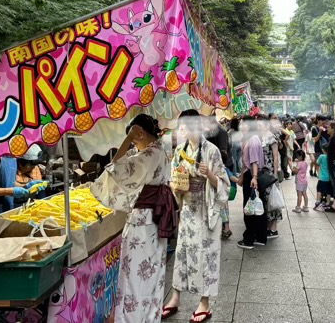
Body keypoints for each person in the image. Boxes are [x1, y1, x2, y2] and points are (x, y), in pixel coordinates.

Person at [90, 114, 175, 323]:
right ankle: (147, 317)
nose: (134, 143)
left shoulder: (150, 153)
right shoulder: (158, 151)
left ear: (140, 133)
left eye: (135, 138)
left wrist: (127, 139)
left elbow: (116, 168)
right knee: (151, 275)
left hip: (144, 222)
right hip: (154, 221)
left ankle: (132, 318)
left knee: (135, 277)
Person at [164, 110, 230, 323]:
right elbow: (174, 178)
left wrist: (209, 174)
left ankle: (204, 302)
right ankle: (175, 296)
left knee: (207, 256)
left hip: (206, 210)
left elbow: (224, 186)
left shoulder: (211, 151)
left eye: (184, 125)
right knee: (183, 253)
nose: (181, 129)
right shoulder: (179, 151)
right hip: (187, 209)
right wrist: (176, 186)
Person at [238, 116, 267, 249]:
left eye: (243, 124)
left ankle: (249, 239)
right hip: (250, 176)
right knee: (256, 207)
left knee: (250, 208)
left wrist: (253, 177)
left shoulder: (253, 140)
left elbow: (254, 161)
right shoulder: (251, 139)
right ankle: (259, 237)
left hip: (253, 176)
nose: (241, 126)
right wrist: (242, 176)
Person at [259, 115, 283, 238]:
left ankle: (273, 228)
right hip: (264, 173)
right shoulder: (261, 138)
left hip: (270, 174)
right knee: (267, 200)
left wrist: (274, 174)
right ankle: (268, 227)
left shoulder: (271, 138)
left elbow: (275, 157)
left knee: (272, 200)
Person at [314, 146, 332, 211]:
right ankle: (328, 203)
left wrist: (318, 172)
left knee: (319, 190)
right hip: (329, 178)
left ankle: (318, 202)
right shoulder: (331, 157)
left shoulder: (321, 156)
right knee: (328, 191)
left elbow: (317, 163)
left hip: (322, 178)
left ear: (323, 150)